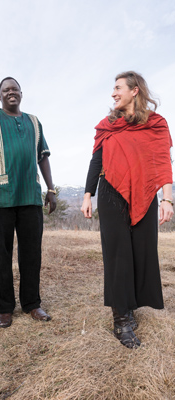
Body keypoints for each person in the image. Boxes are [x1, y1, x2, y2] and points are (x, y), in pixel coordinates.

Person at [81, 71, 173, 349]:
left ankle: (132, 304)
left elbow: (162, 163)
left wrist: (167, 199)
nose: (113, 93)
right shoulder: (107, 125)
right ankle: (121, 318)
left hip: (145, 193)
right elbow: (96, 160)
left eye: (118, 87)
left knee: (142, 250)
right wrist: (88, 194)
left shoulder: (156, 124)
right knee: (118, 252)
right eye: (113, 88)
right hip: (110, 192)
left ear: (135, 91)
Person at [0, 77, 56, 328]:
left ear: (21, 93)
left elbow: (43, 157)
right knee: (0, 254)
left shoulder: (33, 121)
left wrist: (50, 189)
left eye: (14, 89)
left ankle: (32, 304)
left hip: (30, 195)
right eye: (5, 90)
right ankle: (4, 307)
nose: (11, 92)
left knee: (32, 253)